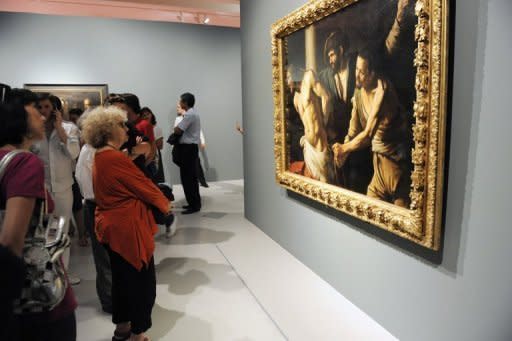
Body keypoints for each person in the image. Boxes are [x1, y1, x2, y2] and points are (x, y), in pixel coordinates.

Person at [81, 105, 172, 341]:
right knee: (140, 283)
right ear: (110, 129)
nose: (127, 129)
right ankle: (137, 334)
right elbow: (144, 186)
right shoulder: (112, 157)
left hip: (114, 227)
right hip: (128, 230)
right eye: (122, 125)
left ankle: (122, 329)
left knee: (122, 280)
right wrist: (165, 206)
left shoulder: (102, 155)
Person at [1, 89, 77, 340]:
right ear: (19, 116)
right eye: (36, 110)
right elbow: (11, 241)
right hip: (34, 295)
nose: (42, 117)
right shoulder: (24, 162)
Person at [332, 49, 412, 207]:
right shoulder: (359, 93)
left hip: (397, 171)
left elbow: (368, 135)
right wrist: (343, 152)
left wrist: (345, 148)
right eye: (356, 69)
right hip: (378, 172)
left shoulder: (383, 91)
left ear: (372, 73)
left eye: (361, 72)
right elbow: (353, 131)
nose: (356, 75)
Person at [33, 92, 81, 284]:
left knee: (62, 231)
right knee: (40, 233)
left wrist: (60, 129)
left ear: (55, 109)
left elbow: (74, 153)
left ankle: (63, 274)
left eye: (47, 106)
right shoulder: (31, 130)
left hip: (62, 189)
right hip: (39, 189)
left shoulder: (69, 128)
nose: (44, 111)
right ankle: (44, 276)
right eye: (40, 107)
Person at [75, 112, 112, 314]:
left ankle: (113, 299)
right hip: (99, 207)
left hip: (98, 206)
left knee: (106, 258)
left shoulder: (93, 151)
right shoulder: (92, 152)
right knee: (105, 258)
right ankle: (110, 302)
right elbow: (92, 190)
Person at [292, 69, 334, 183]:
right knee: (315, 185)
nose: (287, 81)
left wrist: (324, 124)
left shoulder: (309, 77)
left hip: (320, 142)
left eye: (288, 76)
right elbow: (305, 122)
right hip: (309, 146)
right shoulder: (296, 97)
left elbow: (326, 97)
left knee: (327, 185)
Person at [172, 92, 202, 214]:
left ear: (185, 102)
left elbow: (178, 130)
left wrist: (176, 128)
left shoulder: (189, 115)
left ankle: (194, 205)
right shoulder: (193, 113)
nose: (179, 103)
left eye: (181, 101)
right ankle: (193, 203)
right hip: (190, 149)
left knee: (188, 178)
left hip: (187, 149)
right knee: (190, 178)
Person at [173, 108, 208, 188]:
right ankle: (191, 180)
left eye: (179, 107)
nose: (177, 109)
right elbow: (175, 131)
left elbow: (198, 129)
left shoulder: (192, 116)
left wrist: (202, 140)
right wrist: (174, 144)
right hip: (182, 144)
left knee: (196, 162)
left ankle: (202, 181)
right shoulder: (178, 119)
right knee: (183, 162)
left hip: (191, 144)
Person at [141, 107, 165, 183]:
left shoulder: (156, 128)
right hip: (143, 154)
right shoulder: (140, 128)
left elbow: (160, 146)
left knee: (155, 179)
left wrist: (152, 141)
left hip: (154, 155)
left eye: (148, 114)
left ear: (152, 115)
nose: (146, 116)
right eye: (144, 115)